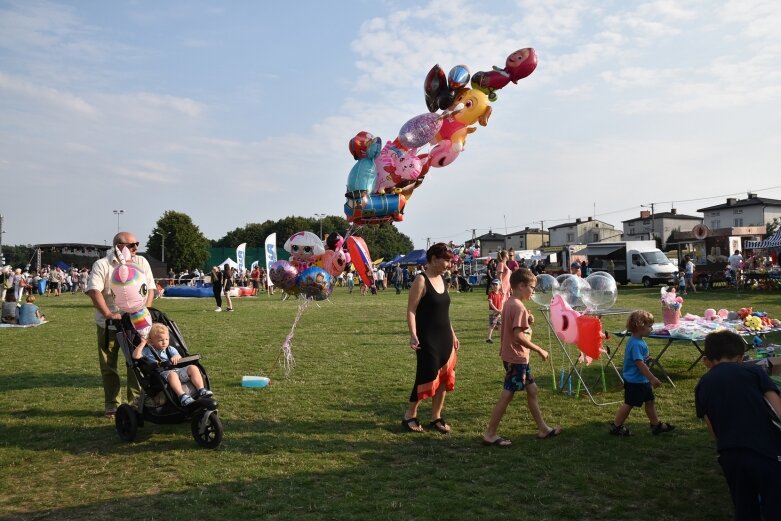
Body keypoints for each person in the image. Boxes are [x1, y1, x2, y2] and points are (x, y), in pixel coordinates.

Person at [695, 330, 781, 520]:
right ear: (741, 357)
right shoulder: (754, 371)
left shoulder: (703, 384)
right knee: (775, 506)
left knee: (744, 506)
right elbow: (777, 408)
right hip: (766, 452)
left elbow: (711, 425)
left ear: (708, 359)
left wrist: (722, 449)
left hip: (730, 453)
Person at [482, 268, 561, 446]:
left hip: (513, 357)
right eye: (532, 288)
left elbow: (515, 326)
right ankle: (490, 433)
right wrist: (539, 349)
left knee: (532, 390)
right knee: (507, 395)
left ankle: (543, 428)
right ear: (521, 285)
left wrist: (527, 320)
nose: (533, 291)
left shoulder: (510, 303)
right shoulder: (518, 307)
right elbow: (518, 336)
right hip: (516, 358)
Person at [86, 232, 154, 418]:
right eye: (132, 245)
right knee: (109, 365)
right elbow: (94, 291)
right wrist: (108, 314)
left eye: (136, 244)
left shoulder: (141, 263)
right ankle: (112, 404)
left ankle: (136, 402)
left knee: (136, 363)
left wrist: (143, 311)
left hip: (135, 324)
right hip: (109, 324)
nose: (135, 249)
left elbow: (150, 288)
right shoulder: (102, 265)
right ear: (118, 246)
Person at [402, 243, 460, 434]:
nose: (449, 264)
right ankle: (410, 415)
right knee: (425, 375)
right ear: (434, 259)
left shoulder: (443, 279)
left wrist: (453, 334)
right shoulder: (421, 280)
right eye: (446, 260)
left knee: (444, 377)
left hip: (445, 336)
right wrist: (413, 335)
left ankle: (436, 417)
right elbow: (411, 310)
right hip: (427, 338)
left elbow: (444, 312)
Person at [609, 310, 675, 436]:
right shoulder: (636, 344)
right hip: (635, 382)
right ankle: (616, 426)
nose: (651, 328)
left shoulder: (638, 341)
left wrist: (647, 359)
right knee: (629, 404)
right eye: (649, 326)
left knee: (650, 401)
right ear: (640, 326)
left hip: (641, 381)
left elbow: (641, 359)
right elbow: (639, 363)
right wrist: (652, 378)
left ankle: (656, 425)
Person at [132, 323, 213, 406]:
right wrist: (143, 343)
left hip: (177, 370)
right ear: (151, 341)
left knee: (193, 368)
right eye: (160, 340)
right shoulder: (147, 351)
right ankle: (182, 396)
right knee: (172, 374)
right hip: (161, 374)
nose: (164, 342)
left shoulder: (170, 349)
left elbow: (178, 355)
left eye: (166, 339)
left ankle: (201, 389)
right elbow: (136, 356)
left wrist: (176, 356)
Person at [486, 279, 503, 344]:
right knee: (492, 325)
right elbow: (491, 303)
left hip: (499, 312)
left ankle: (502, 338)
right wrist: (496, 310)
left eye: (496, 284)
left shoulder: (500, 294)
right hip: (493, 312)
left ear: (500, 286)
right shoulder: (491, 294)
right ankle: (488, 338)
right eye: (493, 285)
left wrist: (501, 309)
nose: (494, 286)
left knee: (500, 325)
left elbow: (501, 302)